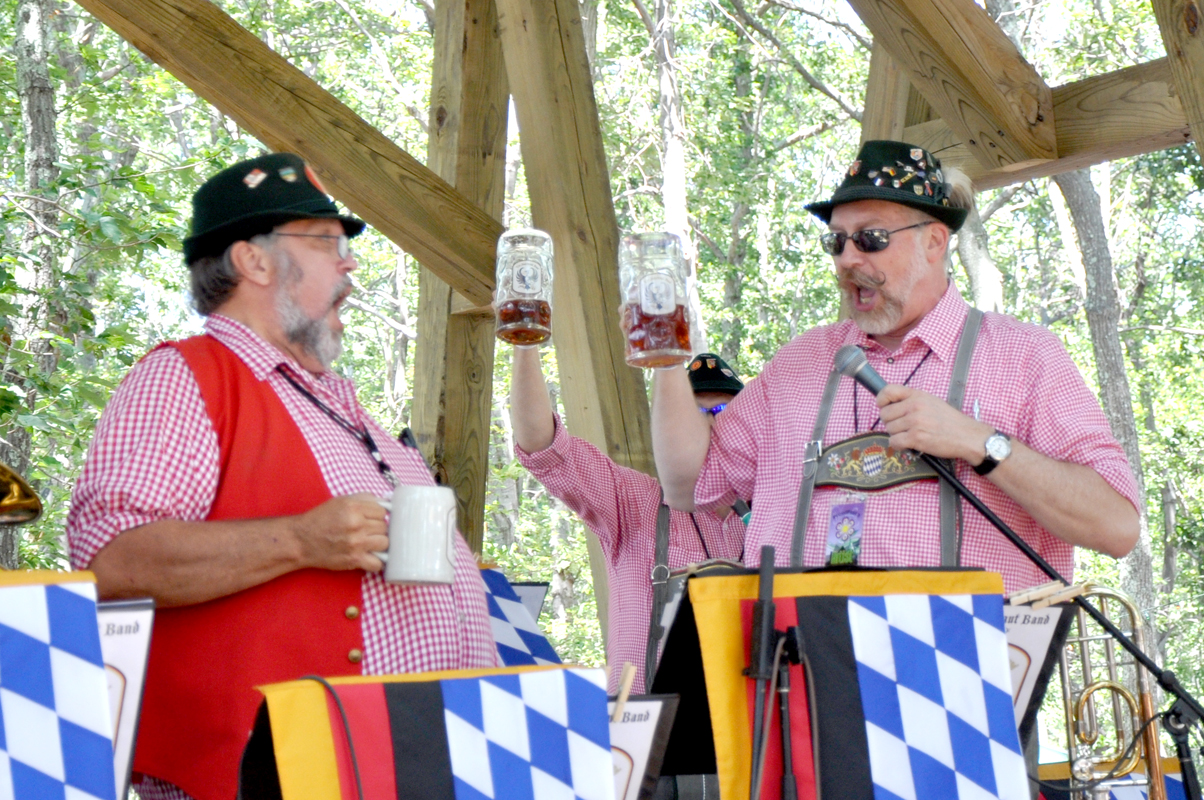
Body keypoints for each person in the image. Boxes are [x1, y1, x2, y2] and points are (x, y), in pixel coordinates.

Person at [66, 153, 498, 800]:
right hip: (283, 777)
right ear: (255, 261)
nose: (349, 263)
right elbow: (110, 563)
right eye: (326, 243)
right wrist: (300, 540)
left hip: (414, 765)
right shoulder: (184, 378)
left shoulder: (340, 406)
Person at [648, 140, 1139, 594]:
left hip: (955, 675)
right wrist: (667, 356)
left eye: (871, 239)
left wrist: (978, 442)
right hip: (797, 670)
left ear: (935, 242)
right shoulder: (800, 362)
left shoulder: (1023, 356)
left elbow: (1116, 527)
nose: (847, 258)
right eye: (836, 242)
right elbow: (688, 484)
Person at [510, 345, 746, 694]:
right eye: (695, 414)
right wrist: (525, 346)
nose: (711, 422)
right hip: (644, 731)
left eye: (723, 411)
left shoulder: (770, 512)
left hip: (742, 729)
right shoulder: (634, 501)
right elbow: (542, 445)